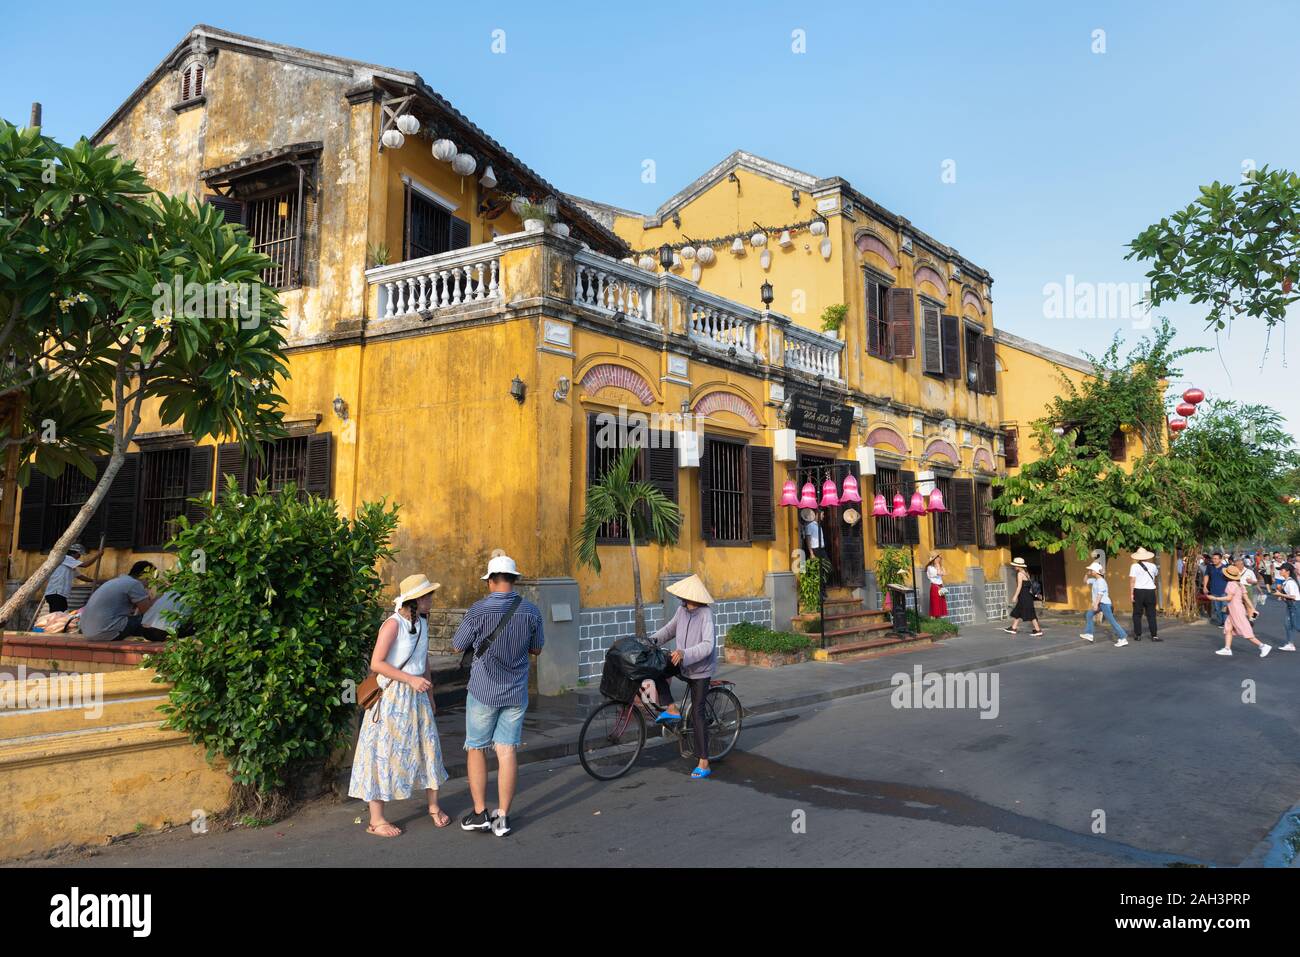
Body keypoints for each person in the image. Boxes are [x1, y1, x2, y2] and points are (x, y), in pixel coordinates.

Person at [348, 573, 449, 837]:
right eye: (427, 595)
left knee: (428, 749)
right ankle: (377, 820)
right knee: (382, 752)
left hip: (418, 696)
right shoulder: (392, 625)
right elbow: (376, 663)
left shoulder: (423, 622)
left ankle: (434, 806)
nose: (431, 599)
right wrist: (411, 680)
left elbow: (423, 659)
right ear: (414, 600)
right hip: (392, 697)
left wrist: (430, 693)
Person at [452, 554, 544, 838]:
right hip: (516, 690)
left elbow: (457, 645)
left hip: (483, 690)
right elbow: (537, 649)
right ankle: (502, 818)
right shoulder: (531, 610)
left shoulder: (478, 610)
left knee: (477, 748)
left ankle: (480, 812)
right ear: (514, 580)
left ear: (491, 581)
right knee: (506, 752)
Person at [648, 574, 718, 779]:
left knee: (697, 713)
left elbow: (708, 645)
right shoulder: (681, 611)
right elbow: (669, 630)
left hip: (700, 669)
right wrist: (650, 642)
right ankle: (671, 708)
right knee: (657, 668)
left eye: (686, 597)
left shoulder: (706, 614)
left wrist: (685, 653)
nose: (684, 600)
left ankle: (704, 762)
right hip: (682, 663)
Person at [78, 561, 166, 642]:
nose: (150, 585)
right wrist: (160, 596)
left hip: (88, 632)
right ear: (145, 576)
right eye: (151, 580)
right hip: (105, 632)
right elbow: (147, 612)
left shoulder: (116, 581)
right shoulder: (134, 584)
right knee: (151, 621)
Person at [1211, 565, 1271, 658]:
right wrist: (1252, 608)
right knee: (1228, 629)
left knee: (1245, 631)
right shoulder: (1240, 584)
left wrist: (1215, 598)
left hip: (1235, 610)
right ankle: (1227, 649)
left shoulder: (1230, 584)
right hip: (1237, 609)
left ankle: (1263, 646)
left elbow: (1229, 597)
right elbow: (1246, 598)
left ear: (1227, 576)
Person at [41, 543, 100, 613]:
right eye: (79, 555)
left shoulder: (70, 565)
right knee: (57, 615)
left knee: (59, 614)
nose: (79, 557)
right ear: (75, 553)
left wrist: (94, 580)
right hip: (56, 592)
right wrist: (97, 555)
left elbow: (80, 577)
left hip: (58, 594)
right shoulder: (66, 558)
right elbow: (85, 565)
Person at [1080, 562, 1127, 646]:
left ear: (1095, 571)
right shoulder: (1095, 580)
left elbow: (1100, 594)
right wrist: (1086, 574)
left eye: (1091, 570)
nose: (1090, 571)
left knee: (1112, 621)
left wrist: (1095, 604)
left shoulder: (1101, 581)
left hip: (1104, 604)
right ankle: (1089, 634)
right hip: (1100, 603)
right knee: (1089, 614)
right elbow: (1085, 581)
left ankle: (1123, 638)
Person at [1004, 557, 1043, 637]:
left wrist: (1015, 596)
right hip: (1026, 596)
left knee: (1030, 613)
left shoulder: (1020, 574)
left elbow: (1019, 587)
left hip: (1024, 596)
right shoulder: (1026, 573)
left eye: (1015, 565)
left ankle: (1038, 630)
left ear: (1019, 566)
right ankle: (1013, 628)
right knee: (1018, 611)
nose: (1014, 567)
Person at [1128, 547, 1161, 642]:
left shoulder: (1134, 566)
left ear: (1138, 557)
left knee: (1137, 614)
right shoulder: (1153, 566)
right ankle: (1154, 635)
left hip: (1138, 591)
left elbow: (1132, 581)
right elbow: (1155, 575)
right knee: (1151, 614)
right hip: (1150, 591)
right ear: (1147, 556)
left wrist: (1131, 594)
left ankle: (1138, 635)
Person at [1272, 562, 1299, 652]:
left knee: (1297, 625)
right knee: (1288, 625)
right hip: (1291, 605)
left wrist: (1280, 594)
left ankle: (1290, 644)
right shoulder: (1287, 581)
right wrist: (1280, 595)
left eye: (1281, 570)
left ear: (1287, 571)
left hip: (1295, 604)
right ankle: (1290, 644)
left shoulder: (1290, 582)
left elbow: (1293, 596)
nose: (1280, 571)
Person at [1202, 552, 1229, 626]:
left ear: (1220, 559)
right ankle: (1221, 622)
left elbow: (1230, 578)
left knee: (1224, 607)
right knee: (1217, 608)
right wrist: (1205, 586)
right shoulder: (1210, 567)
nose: (1214, 560)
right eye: (1213, 558)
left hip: (1224, 591)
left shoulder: (1225, 568)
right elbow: (1206, 576)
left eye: (1216, 559)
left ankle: (1225, 623)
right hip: (1214, 590)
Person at [925, 552, 948, 619]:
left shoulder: (939, 566)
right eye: (938, 558)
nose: (940, 559)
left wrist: (939, 566)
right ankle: (934, 621)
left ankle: (939, 622)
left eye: (940, 558)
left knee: (941, 606)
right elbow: (939, 573)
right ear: (934, 559)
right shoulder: (930, 568)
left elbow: (944, 573)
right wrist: (938, 565)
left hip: (940, 586)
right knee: (935, 605)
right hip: (935, 587)